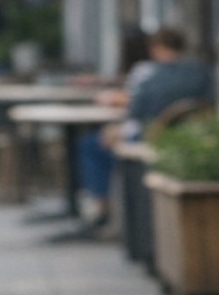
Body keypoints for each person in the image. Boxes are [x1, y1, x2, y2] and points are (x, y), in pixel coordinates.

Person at [76, 28, 215, 227]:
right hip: (190, 137)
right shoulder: (201, 72)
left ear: (157, 48)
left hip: (150, 136)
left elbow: (134, 111)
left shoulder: (146, 73)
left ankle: (103, 206)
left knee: (92, 144)